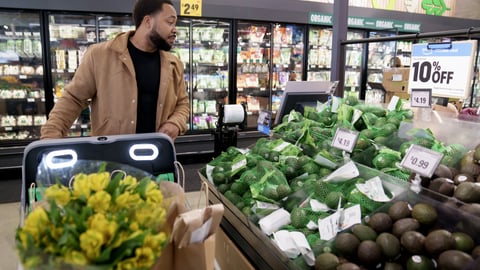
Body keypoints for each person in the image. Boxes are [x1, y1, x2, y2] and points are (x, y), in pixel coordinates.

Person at [41, 0, 189, 141]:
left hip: (156, 154)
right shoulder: (99, 55)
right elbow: (73, 98)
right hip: (111, 157)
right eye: (170, 22)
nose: (175, 30)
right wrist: (50, 137)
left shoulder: (173, 64)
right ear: (148, 22)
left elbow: (182, 104)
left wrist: (175, 123)